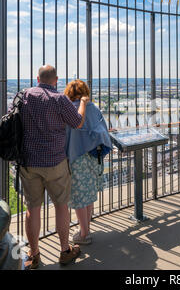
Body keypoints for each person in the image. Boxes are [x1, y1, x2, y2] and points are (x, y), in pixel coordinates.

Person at [18, 65, 89, 269]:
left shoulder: (25, 95)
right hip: (56, 162)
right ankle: (65, 250)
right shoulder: (60, 99)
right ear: (56, 80)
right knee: (61, 206)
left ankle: (33, 254)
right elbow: (77, 122)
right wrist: (83, 103)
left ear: (37, 78)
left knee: (32, 209)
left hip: (29, 161)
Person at [64, 80, 112, 245]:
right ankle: (86, 227)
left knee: (78, 197)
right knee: (89, 194)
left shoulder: (70, 110)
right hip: (95, 156)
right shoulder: (94, 108)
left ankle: (84, 234)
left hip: (77, 157)